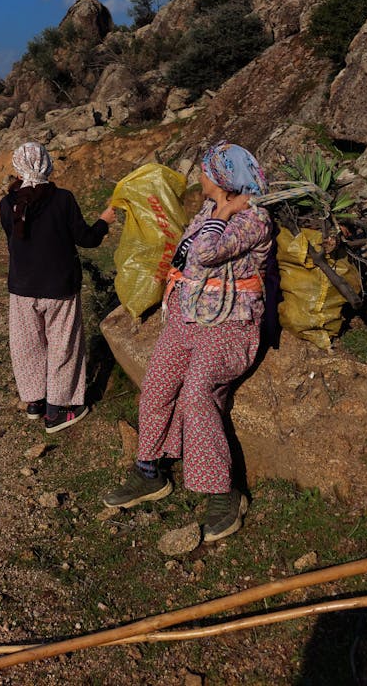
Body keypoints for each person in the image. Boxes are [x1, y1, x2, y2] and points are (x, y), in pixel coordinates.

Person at [103, 140, 272, 542]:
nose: (199, 176)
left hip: (228, 323)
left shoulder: (253, 219)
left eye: (205, 170)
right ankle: (149, 472)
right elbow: (184, 257)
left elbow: (205, 255)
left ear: (221, 177)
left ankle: (222, 492)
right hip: (185, 318)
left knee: (196, 393)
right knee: (157, 387)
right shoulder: (207, 212)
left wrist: (226, 213)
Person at [0, 142, 117, 434]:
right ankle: (58, 410)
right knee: (62, 346)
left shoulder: (7, 204)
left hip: (22, 288)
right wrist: (104, 221)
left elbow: (12, 243)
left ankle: (35, 402)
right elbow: (87, 239)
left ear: (18, 167)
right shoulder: (63, 199)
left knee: (28, 346)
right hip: (60, 286)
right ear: (47, 164)